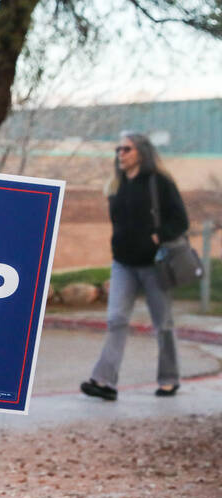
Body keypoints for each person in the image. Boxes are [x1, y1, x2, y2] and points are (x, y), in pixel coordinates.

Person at [81, 132, 188, 401]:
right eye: (118, 149)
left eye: (126, 148)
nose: (120, 153)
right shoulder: (117, 184)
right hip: (123, 264)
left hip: (154, 265)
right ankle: (104, 382)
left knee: (162, 323)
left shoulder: (158, 182)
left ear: (141, 151)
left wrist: (159, 236)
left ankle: (169, 379)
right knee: (116, 320)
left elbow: (181, 220)